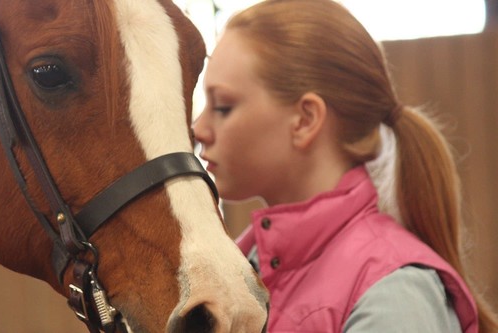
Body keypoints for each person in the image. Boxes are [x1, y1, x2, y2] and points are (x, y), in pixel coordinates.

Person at [192, 0, 497, 332]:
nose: (199, 129)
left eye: (223, 106)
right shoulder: (248, 267)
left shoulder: (395, 294)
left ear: (305, 119)